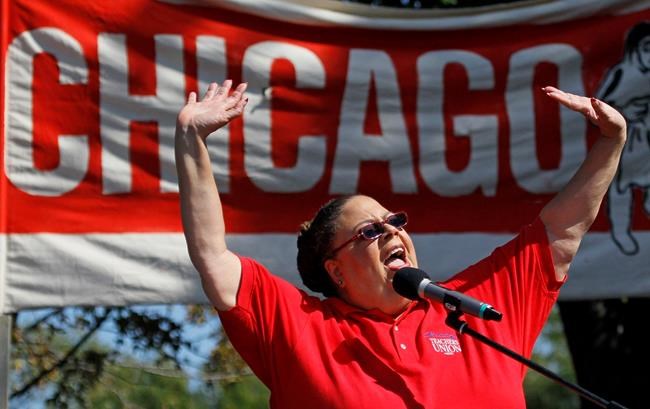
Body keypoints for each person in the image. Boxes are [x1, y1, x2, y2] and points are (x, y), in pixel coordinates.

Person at [174, 80, 626, 408]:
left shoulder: (472, 308)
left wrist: (612, 141)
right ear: (336, 270)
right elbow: (213, 257)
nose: (392, 231)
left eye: (394, 221)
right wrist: (191, 138)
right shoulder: (301, 327)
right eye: (370, 231)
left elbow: (561, 232)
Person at [597, 21, 650, 255]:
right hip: (625, 140)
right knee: (620, 187)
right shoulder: (622, 72)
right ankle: (621, 231)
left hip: (647, 139)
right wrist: (623, 114)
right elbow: (598, 105)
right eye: (646, 48)